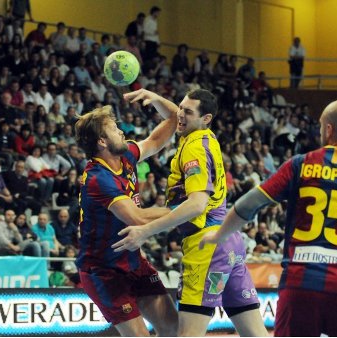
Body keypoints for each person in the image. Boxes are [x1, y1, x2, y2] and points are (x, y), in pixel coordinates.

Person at [112, 89, 267, 336]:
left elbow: (197, 204)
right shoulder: (205, 136)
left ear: (205, 118)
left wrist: (145, 231)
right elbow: (177, 115)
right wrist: (155, 98)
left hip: (206, 246)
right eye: (180, 108)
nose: (179, 115)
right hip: (229, 244)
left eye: (187, 111)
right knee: (256, 333)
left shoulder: (194, 149)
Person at [200, 99, 337, 336]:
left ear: (329, 130)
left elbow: (249, 204)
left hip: (300, 284)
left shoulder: (301, 164)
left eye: (320, 126)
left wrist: (219, 234)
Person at [74, 92, 179, 336]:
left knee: (173, 329)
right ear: (102, 141)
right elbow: (138, 218)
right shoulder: (98, 179)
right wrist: (187, 209)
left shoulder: (127, 156)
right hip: (104, 271)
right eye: (114, 128)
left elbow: (172, 121)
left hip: (134, 262)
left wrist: (154, 98)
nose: (121, 132)